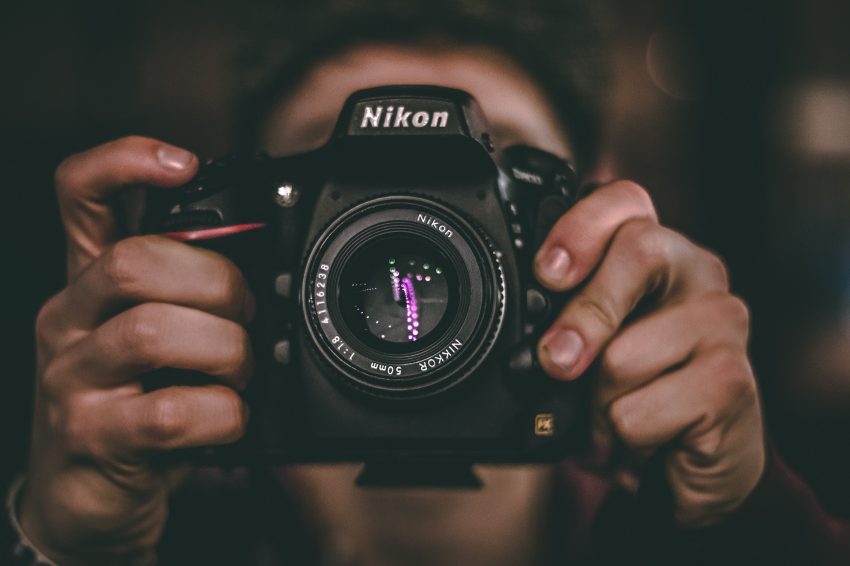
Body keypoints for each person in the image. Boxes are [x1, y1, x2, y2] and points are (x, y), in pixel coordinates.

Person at [6, 1, 850, 565]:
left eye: (486, 175)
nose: (408, 224)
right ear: (264, 226)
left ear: (593, 208)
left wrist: (746, 524)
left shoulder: (672, 523)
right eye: (352, 182)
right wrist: (71, 546)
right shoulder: (170, 522)